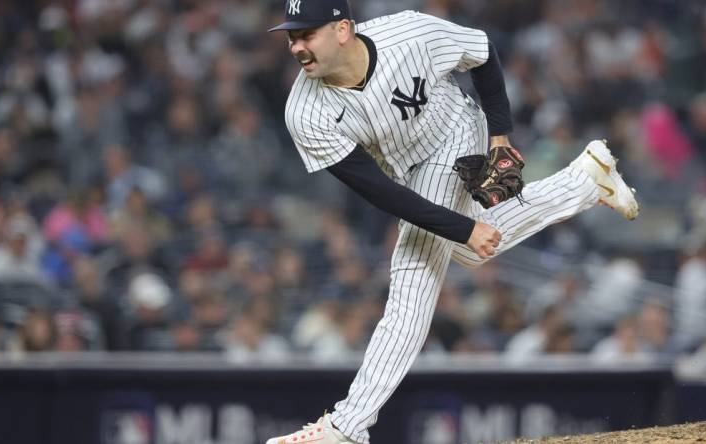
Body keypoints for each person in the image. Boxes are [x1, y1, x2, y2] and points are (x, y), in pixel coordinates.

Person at [266, 1, 639, 443]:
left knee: (412, 276)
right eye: (292, 36)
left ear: (343, 29)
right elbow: (380, 192)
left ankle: (348, 427)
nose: (297, 46)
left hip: (456, 135)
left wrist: (500, 133)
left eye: (307, 34)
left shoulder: (408, 34)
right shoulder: (305, 112)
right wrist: (465, 229)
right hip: (405, 175)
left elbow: (482, 52)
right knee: (469, 247)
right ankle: (584, 182)